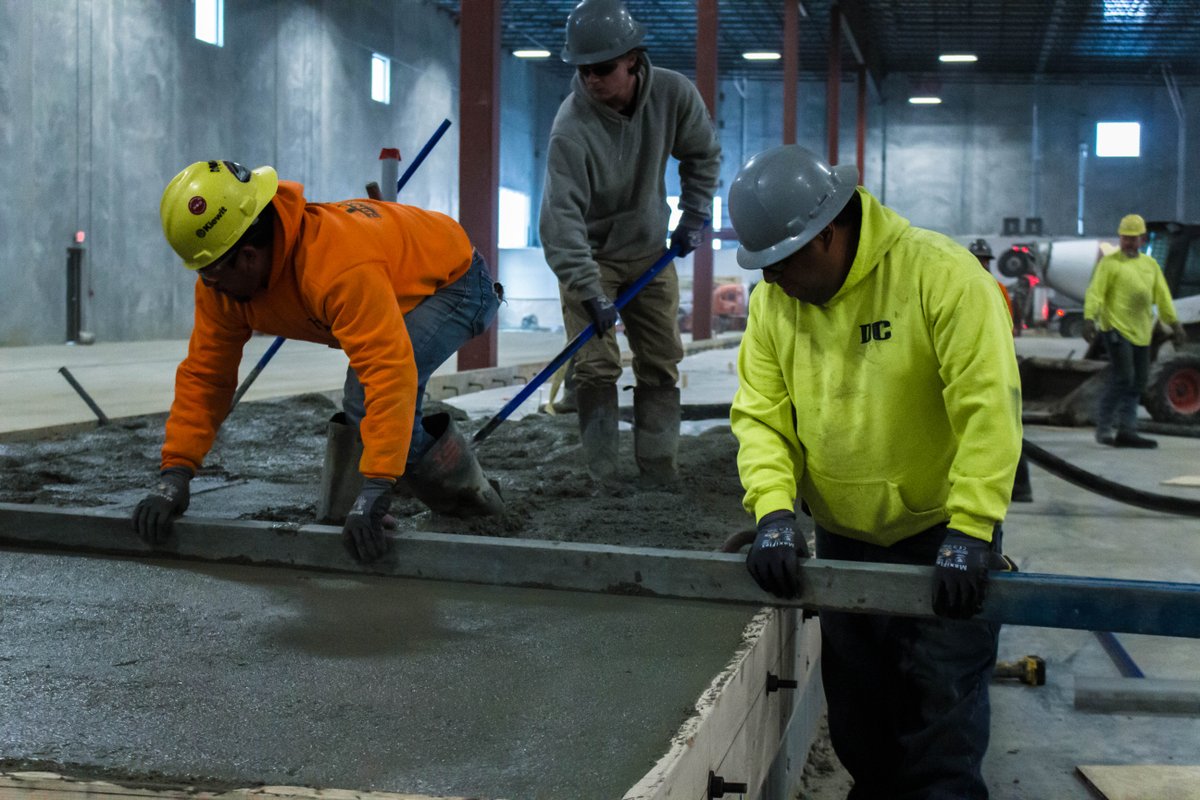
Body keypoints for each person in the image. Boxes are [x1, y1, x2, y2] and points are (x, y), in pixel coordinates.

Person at [728, 145, 1021, 798]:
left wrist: (973, 528)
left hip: (940, 543)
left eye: (781, 261)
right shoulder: (775, 303)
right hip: (845, 543)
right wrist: (773, 514)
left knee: (941, 738)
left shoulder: (940, 276)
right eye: (762, 266)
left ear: (826, 232)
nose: (771, 280)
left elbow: (988, 407)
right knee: (863, 729)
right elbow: (762, 416)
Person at [133, 159, 503, 563]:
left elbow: (387, 373)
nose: (209, 285)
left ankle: (475, 506)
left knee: (365, 395)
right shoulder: (223, 283)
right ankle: (375, 488)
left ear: (249, 256)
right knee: (367, 401)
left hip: (457, 283)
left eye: (212, 275)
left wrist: (376, 488)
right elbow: (206, 377)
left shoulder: (334, 264)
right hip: (394, 275)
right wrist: (176, 473)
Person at [539, 0, 720, 483]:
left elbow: (702, 154)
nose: (591, 80)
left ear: (633, 61)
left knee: (661, 361)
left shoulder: (674, 95)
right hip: (592, 258)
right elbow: (560, 220)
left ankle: (659, 470)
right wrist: (588, 289)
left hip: (649, 253)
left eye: (602, 69)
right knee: (596, 367)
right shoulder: (571, 129)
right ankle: (603, 476)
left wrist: (695, 213)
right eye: (583, 70)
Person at [1083, 213, 1186, 448]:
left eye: (1133, 238)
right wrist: (1089, 318)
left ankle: (1127, 431)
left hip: (1141, 332)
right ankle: (1104, 427)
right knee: (1124, 377)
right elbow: (1095, 293)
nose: (1128, 242)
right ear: (1120, 238)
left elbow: (1163, 297)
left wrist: (1175, 324)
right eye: (1125, 238)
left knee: (1139, 381)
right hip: (1116, 328)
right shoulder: (1110, 264)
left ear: (1142, 239)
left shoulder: (1150, 266)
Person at [969, 238, 1034, 502]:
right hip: (976, 361)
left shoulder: (996, 288)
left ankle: (1020, 485)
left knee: (1004, 425)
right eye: (978, 259)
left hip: (994, 361)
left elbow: (1005, 328)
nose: (981, 264)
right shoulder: (964, 286)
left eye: (984, 260)